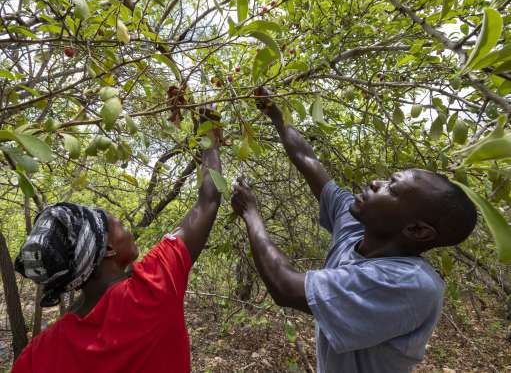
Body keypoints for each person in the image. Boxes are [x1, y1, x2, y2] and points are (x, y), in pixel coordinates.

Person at [230, 88, 478, 373]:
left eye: (391, 188)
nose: (375, 183)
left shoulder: (409, 285)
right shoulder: (357, 229)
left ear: (417, 230)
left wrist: (250, 213)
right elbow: (308, 160)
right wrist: (275, 112)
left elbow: (285, 286)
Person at [12, 109, 223, 373]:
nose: (127, 228)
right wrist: (209, 136)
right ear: (109, 249)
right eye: (119, 225)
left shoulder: (36, 355)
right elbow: (209, 200)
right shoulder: (150, 291)